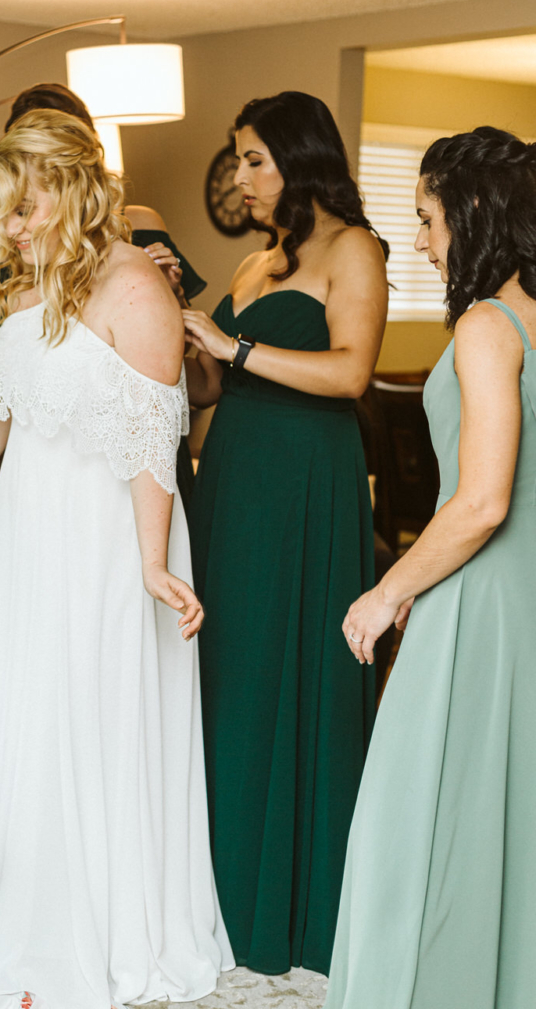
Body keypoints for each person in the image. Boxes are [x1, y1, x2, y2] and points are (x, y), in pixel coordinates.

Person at [0, 108, 233, 1009]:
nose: (7, 229)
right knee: (19, 703)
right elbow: (5, 409)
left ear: (75, 191)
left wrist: (153, 564)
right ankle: (9, 893)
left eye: (22, 208)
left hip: (108, 540)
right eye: (2, 211)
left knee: (87, 709)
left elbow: (153, 442)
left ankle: (93, 920)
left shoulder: (137, 290)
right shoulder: (30, 282)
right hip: (28, 534)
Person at [325, 127, 536, 1009]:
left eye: (427, 218)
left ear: (474, 212)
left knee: (424, 817)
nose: (419, 241)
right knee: (505, 817)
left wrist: (387, 591)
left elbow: (482, 501)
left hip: (482, 603)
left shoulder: (489, 325)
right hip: (516, 595)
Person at [182, 91, 389, 976]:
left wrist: (232, 348)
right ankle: (221, 892)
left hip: (306, 482)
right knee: (230, 669)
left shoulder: (355, 249)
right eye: (238, 158)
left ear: (300, 160)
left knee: (292, 663)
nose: (241, 176)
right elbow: (210, 389)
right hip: (232, 477)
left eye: (254, 159)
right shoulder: (253, 263)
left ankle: (295, 904)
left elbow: (351, 373)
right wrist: (180, 335)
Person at [0, 83, 206, 510]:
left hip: (128, 474)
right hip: (44, 469)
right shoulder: (6, 267)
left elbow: (172, 388)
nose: (12, 227)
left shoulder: (138, 247)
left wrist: (170, 297)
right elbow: (5, 397)